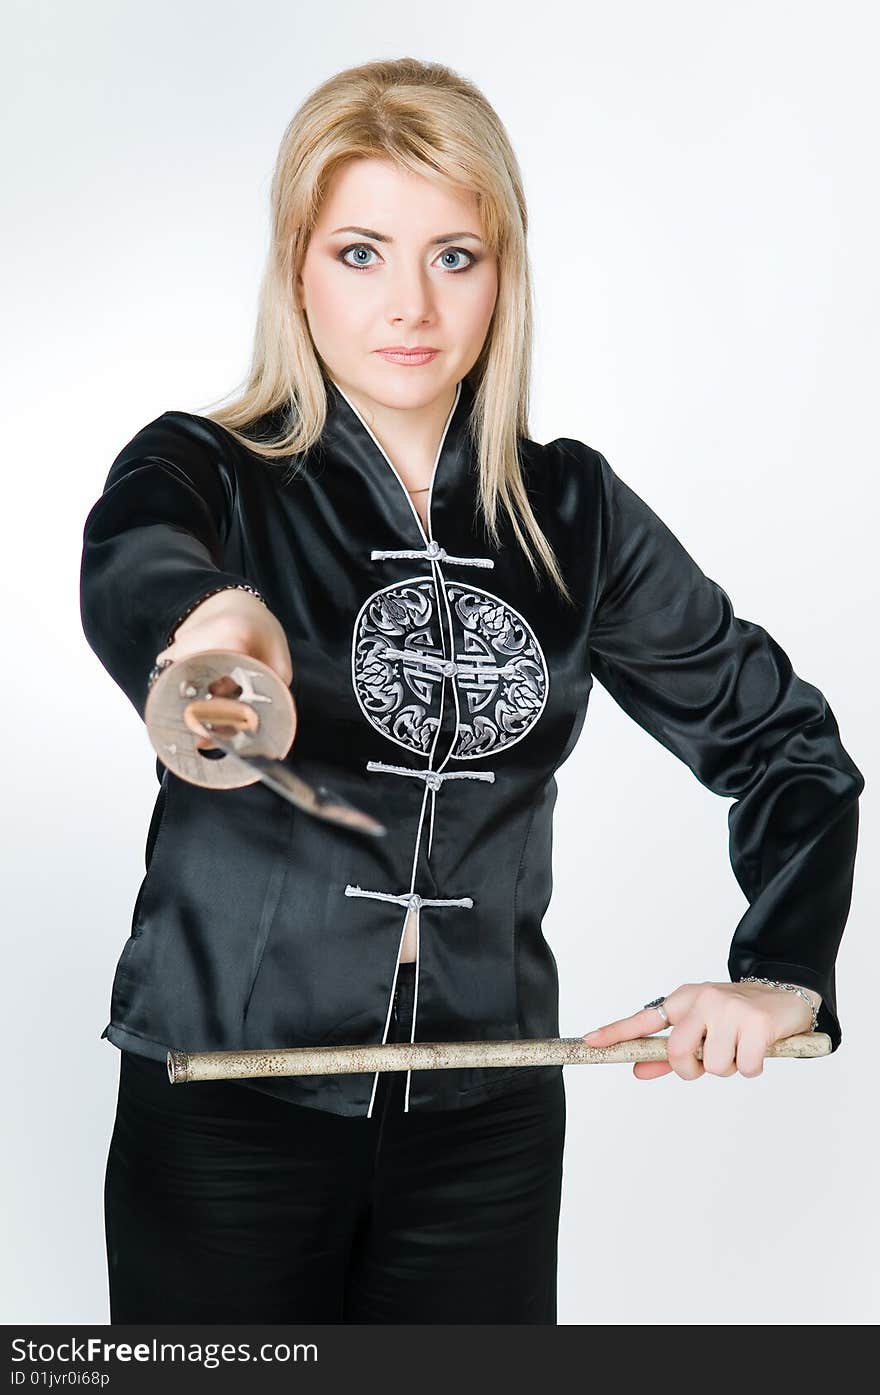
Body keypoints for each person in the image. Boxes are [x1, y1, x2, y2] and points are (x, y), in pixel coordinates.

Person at [79, 56, 865, 1324]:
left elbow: (783, 743)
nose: (411, 306)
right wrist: (218, 629)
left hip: (486, 1132)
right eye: (359, 254)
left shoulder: (576, 512)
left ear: (503, 274)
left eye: (455, 255)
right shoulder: (203, 467)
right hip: (226, 1114)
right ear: (294, 269)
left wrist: (780, 971)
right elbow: (141, 562)